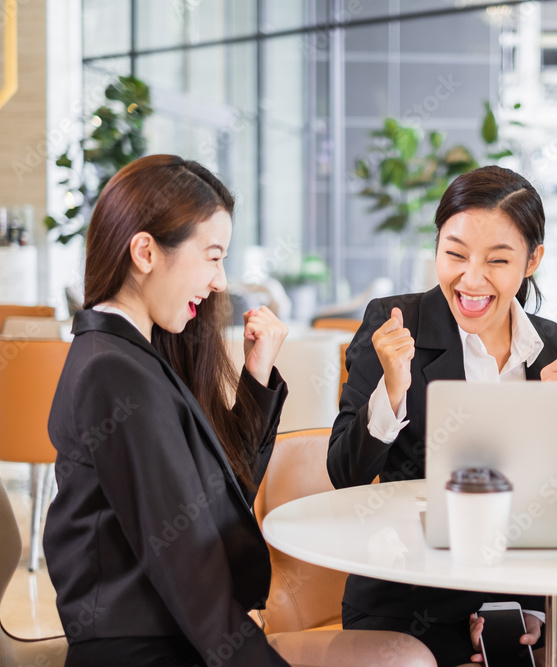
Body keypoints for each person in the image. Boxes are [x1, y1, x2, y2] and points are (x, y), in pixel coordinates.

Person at [43, 154, 435, 667]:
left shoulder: (136, 357)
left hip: (183, 638)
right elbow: (186, 566)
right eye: (211, 256)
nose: (221, 282)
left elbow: (217, 500)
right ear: (145, 252)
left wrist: (255, 375)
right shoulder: (114, 372)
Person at [327, 165, 557, 666]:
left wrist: (534, 611)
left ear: (532, 260)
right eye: (454, 254)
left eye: (497, 260)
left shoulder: (554, 345)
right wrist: (393, 388)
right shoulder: (393, 323)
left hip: (515, 603)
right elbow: (346, 473)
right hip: (408, 600)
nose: (470, 278)